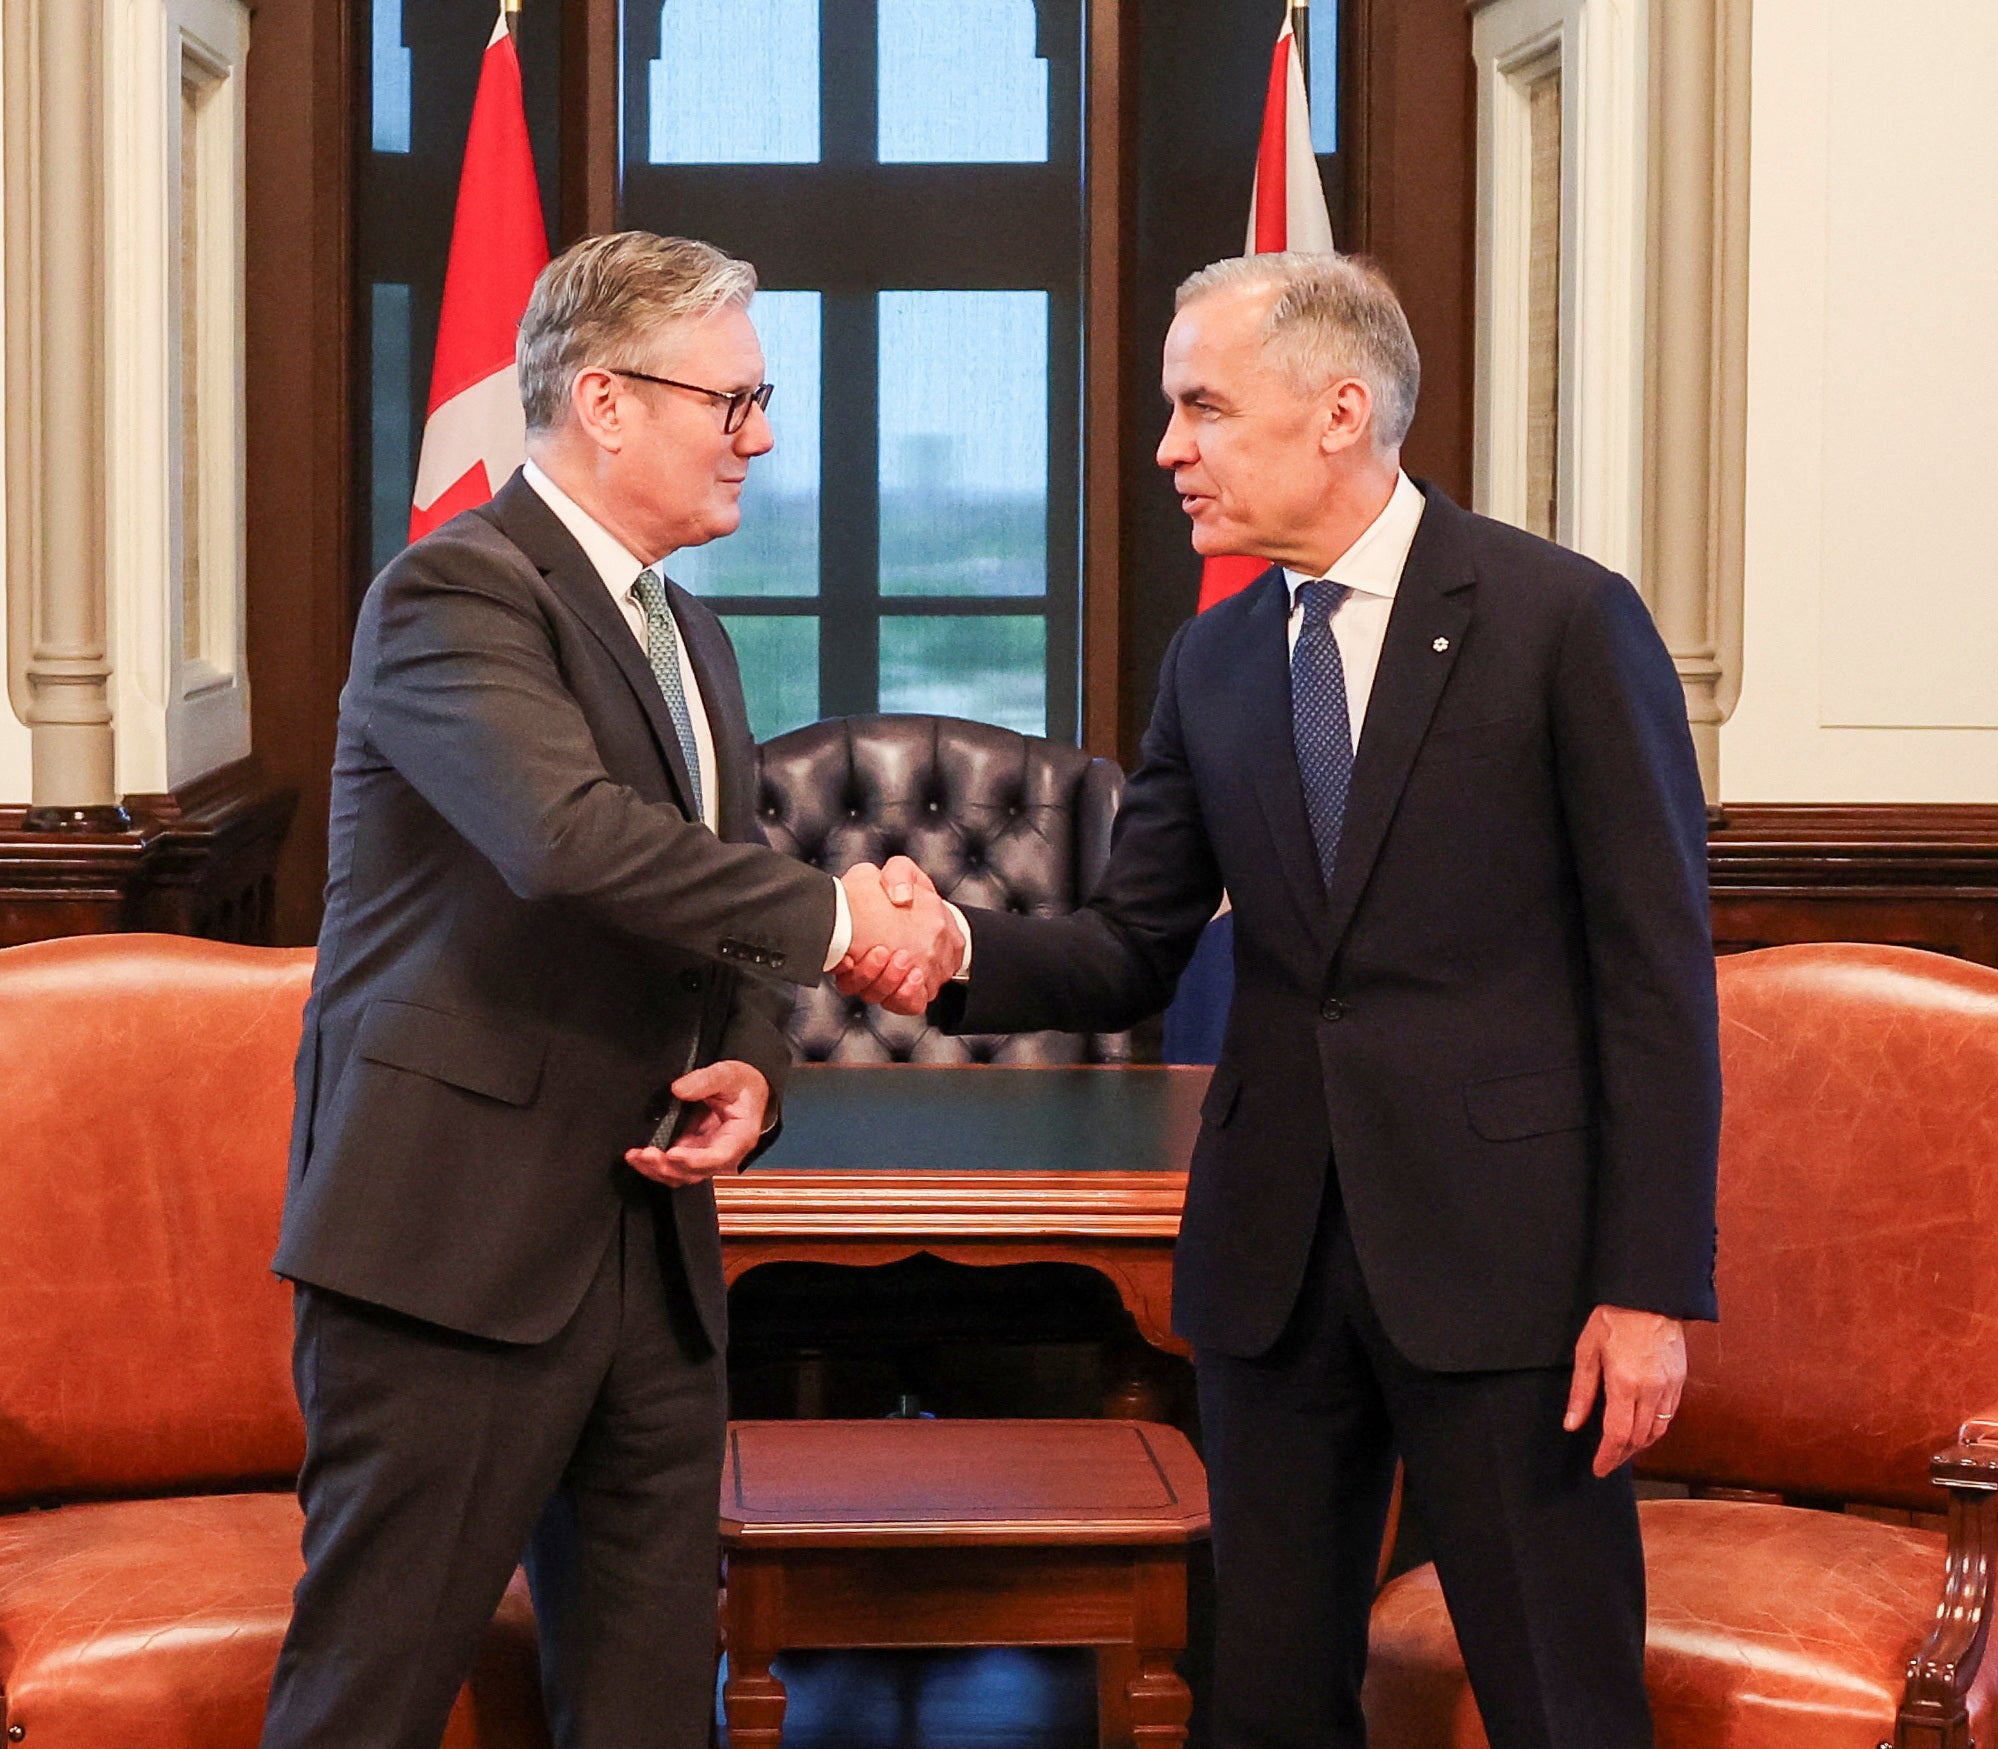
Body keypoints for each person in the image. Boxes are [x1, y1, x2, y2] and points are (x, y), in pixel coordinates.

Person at [836, 252, 1719, 1748]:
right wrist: (957, 948)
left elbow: (1657, 978)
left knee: (1563, 1703)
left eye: (1201, 406)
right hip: (1273, 1262)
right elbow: (1130, 944)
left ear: (1339, 410)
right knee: (1267, 1705)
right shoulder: (1218, 657)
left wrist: (1649, 1288)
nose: (1170, 447)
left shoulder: (1561, 618)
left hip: (1509, 1272)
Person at [263, 230, 955, 1749]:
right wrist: (848, 920)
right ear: (606, 399)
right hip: (452, 1250)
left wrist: (757, 1060)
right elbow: (568, 843)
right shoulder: (453, 592)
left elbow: (705, 893)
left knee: (649, 1705)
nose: (761, 438)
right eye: (736, 399)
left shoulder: (689, 629)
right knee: (366, 1700)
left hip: (651, 1249)